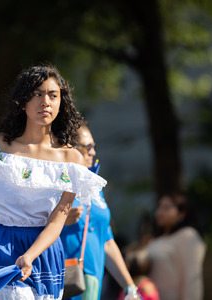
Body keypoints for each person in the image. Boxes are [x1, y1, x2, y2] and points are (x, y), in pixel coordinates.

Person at [0, 64, 107, 299]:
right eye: (37, 94)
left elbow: (57, 220)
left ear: (61, 102)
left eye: (53, 95)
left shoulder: (72, 160)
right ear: (22, 101)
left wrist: (30, 255)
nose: (46, 102)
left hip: (45, 253)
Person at [59, 121, 139, 300]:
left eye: (93, 147)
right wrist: (60, 221)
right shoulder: (56, 183)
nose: (93, 152)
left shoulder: (96, 187)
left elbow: (107, 241)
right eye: (87, 147)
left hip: (92, 284)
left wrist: (130, 288)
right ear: (69, 147)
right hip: (63, 281)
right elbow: (31, 228)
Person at [146, 192, 206, 300]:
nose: (159, 212)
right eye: (159, 207)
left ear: (182, 213)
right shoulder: (156, 240)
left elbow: (192, 280)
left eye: (166, 207)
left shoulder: (188, 236)